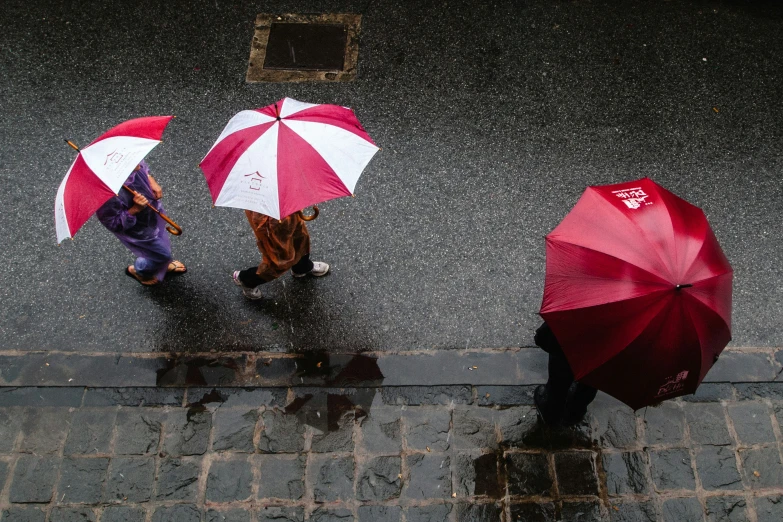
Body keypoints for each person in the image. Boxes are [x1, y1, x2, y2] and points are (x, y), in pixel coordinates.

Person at [95, 161, 186, 285]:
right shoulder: (108, 196)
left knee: (161, 243)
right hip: (139, 230)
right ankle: (140, 270)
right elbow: (114, 224)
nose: (139, 164)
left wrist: (150, 179)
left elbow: (143, 166)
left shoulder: (131, 165)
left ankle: (160, 263)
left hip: (151, 216)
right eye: (131, 163)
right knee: (162, 255)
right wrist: (135, 209)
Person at [232, 210, 329, 300]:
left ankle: (301, 267)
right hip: (270, 221)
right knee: (279, 261)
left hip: (289, 210)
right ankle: (246, 279)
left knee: (299, 239)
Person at [533, 321, 597, 426]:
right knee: (591, 377)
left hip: (569, 344)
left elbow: (542, 338)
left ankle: (551, 414)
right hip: (600, 346)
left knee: (559, 381)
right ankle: (575, 413)